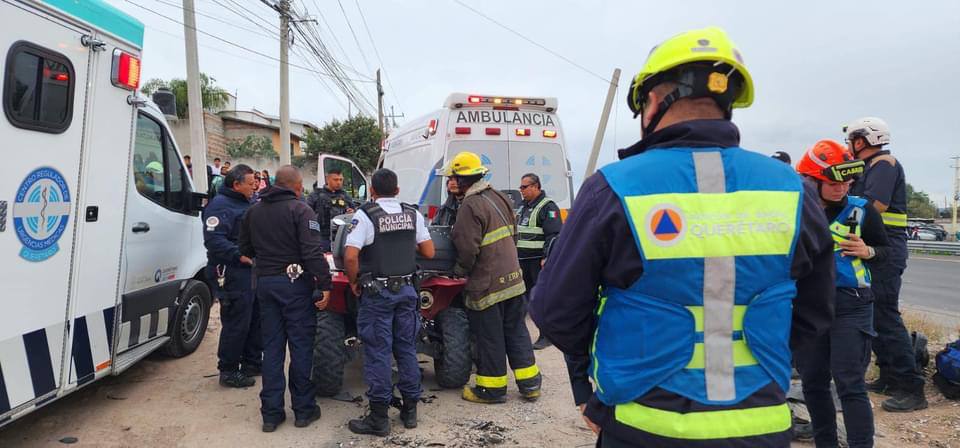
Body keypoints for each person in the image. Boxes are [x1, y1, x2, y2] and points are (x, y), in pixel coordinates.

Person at [530, 27, 836, 447]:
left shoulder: (614, 187)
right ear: (728, 102)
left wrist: (609, 370)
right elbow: (816, 311)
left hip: (644, 424)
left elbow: (556, 312)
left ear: (653, 100)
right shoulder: (791, 189)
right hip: (761, 425)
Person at [795, 140, 887, 448]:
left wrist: (869, 250)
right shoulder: (794, 213)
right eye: (834, 182)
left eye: (847, 181)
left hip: (852, 306)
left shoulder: (862, 212)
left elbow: (887, 252)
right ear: (812, 180)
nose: (842, 187)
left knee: (850, 385)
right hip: (808, 307)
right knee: (813, 383)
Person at [444, 151, 542, 404]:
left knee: (490, 337)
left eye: (454, 178)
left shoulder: (470, 205)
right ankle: (530, 385)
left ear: (464, 179)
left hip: (488, 284)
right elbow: (514, 234)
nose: (452, 183)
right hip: (514, 279)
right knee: (516, 330)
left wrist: (458, 272)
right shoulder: (499, 196)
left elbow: (467, 248)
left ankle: (492, 389)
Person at [239, 165, 331, 432]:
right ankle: (303, 411)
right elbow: (313, 252)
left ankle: (271, 414)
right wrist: (325, 283)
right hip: (295, 286)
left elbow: (243, 248)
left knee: (272, 349)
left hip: (265, 285)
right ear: (297, 186)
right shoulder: (301, 210)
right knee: (301, 347)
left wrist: (266, 261)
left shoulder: (253, 211)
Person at [344, 169, 435, 437]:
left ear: (372, 190)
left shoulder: (366, 215)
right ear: (397, 190)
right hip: (407, 291)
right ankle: (410, 412)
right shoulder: (412, 214)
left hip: (377, 295)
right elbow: (429, 251)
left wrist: (353, 281)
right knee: (406, 349)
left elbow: (350, 257)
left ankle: (379, 419)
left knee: (378, 353)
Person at [845, 117, 926, 412]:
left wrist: (842, 204)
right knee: (876, 316)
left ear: (863, 140)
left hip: (886, 248)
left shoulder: (884, 163)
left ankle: (912, 389)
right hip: (875, 246)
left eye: (852, 139)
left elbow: (875, 205)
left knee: (886, 317)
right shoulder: (869, 167)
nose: (849, 145)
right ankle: (889, 376)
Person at [202, 164, 262, 388]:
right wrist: (240, 256)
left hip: (252, 271)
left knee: (256, 318)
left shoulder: (249, 202)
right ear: (236, 184)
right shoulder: (219, 206)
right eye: (250, 182)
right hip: (231, 271)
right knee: (237, 322)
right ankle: (228, 370)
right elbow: (214, 240)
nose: (255, 185)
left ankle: (252, 362)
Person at [515, 173, 562, 350]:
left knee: (540, 300)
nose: (521, 190)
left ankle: (546, 336)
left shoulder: (547, 207)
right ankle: (519, 337)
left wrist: (547, 257)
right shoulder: (523, 206)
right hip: (522, 261)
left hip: (537, 262)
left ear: (536, 187)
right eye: (521, 187)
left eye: (524, 187)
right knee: (520, 300)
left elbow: (554, 235)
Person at [307, 168, 357, 251]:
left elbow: (354, 213)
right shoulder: (316, 195)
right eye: (335, 179)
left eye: (341, 180)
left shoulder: (345, 196)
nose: (338, 182)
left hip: (340, 235)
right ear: (327, 179)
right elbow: (307, 214)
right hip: (322, 236)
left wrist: (351, 212)